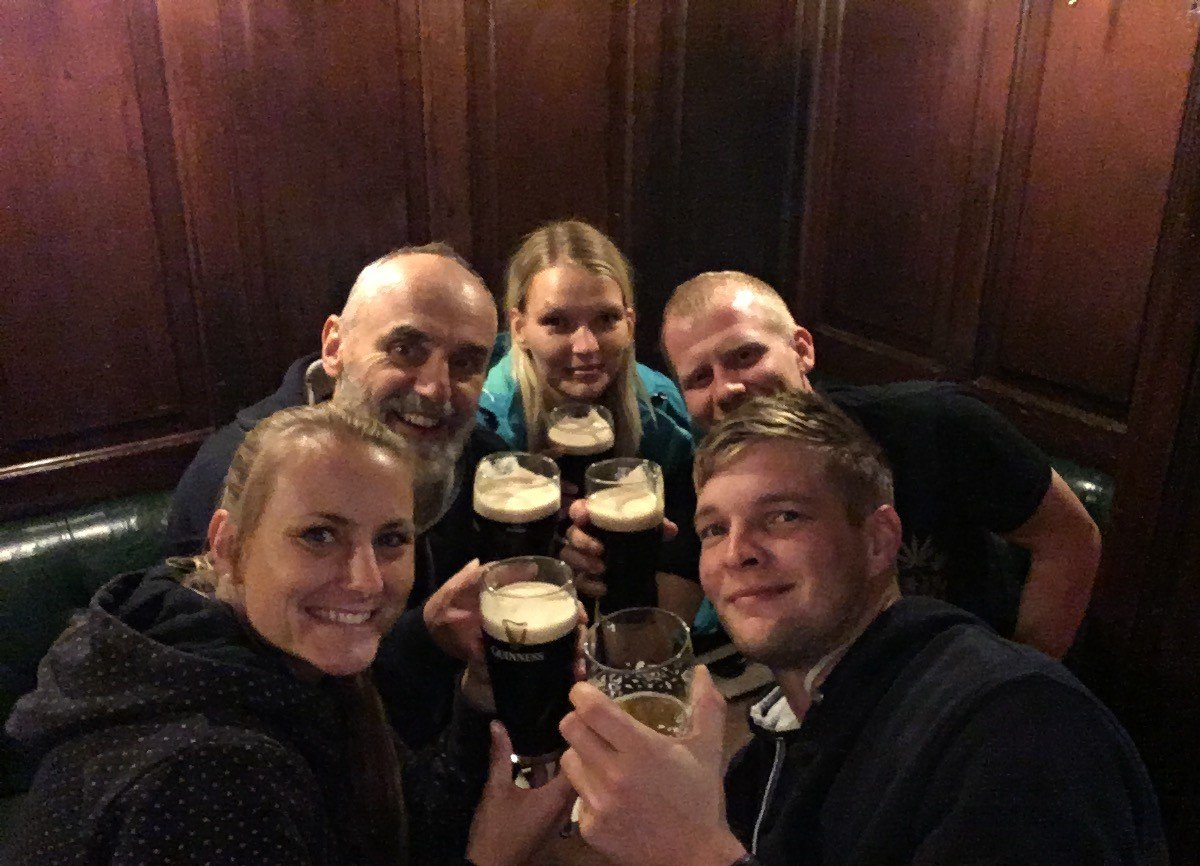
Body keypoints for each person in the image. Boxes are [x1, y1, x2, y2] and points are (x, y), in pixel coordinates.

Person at [558, 391, 1179, 866]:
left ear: (880, 541)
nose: (737, 551)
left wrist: (695, 859)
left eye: (784, 516)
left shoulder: (1015, 730)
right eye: (714, 529)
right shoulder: (770, 753)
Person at [4, 405, 573, 866]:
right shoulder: (204, 776)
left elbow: (395, 838)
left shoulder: (267, 656)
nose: (366, 581)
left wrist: (478, 694)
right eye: (319, 535)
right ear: (228, 545)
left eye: (390, 539)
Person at [567, 269, 1100, 659]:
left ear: (802, 349)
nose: (727, 388)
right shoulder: (707, 484)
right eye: (699, 378)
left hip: (963, 684)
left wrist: (1017, 679)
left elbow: (1070, 539)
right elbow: (654, 647)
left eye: (745, 356)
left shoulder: (936, 424)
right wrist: (616, 575)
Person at [167, 243, 506, 745]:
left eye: (465, 362)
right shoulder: (242, 473)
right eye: (406, 349)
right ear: (334, 346)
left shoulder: (485, 463)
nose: (435, 388)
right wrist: (426, 637)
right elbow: (263, 702)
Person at [480, 220, 701, 622]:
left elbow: (685, 559)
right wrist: (546, 550)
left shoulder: (661, 411)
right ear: (519, 328)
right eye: (556, 322)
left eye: (606, 319)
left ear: (630, 324)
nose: (586, 346)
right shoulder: (483, 425)